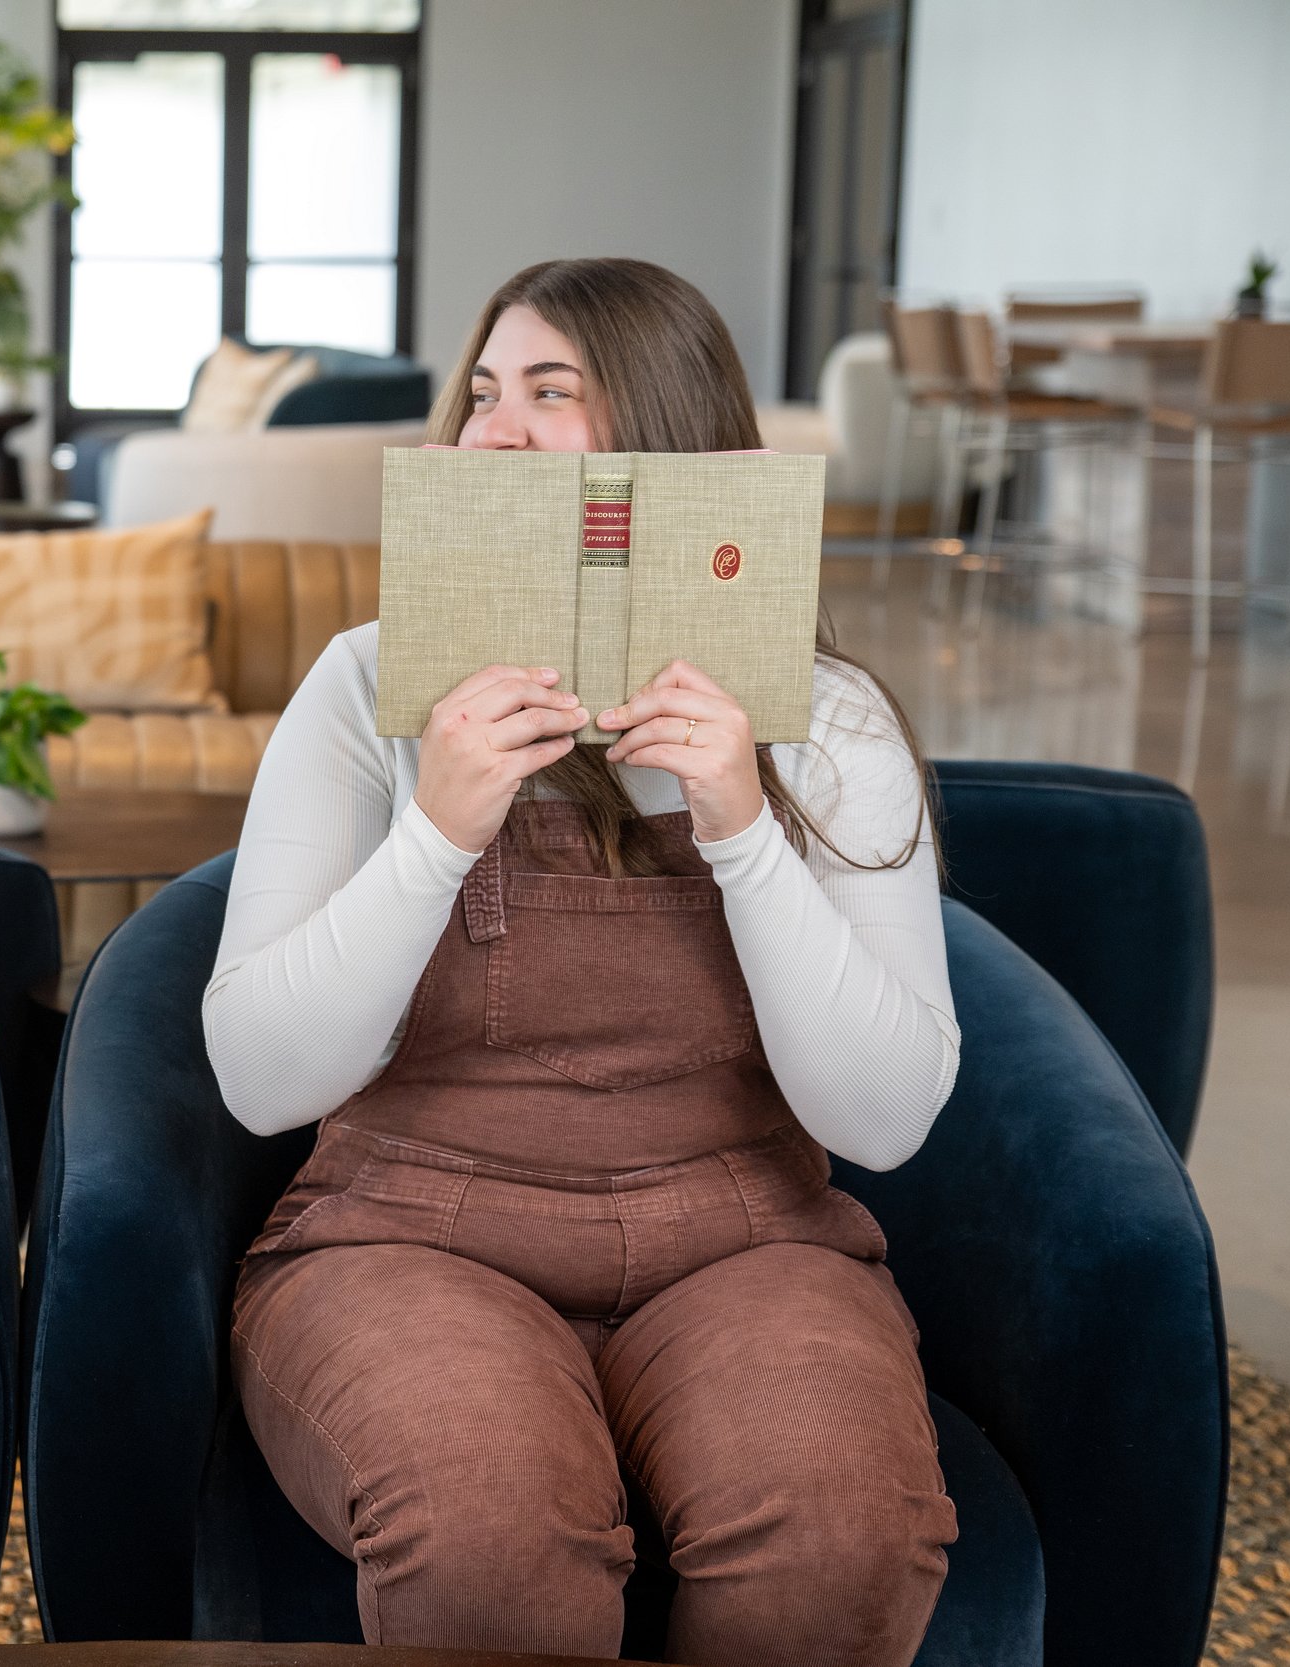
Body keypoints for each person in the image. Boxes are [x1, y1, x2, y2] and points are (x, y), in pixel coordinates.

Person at [205, 258, 960, 1667]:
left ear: (671, 456)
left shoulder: (829, 719)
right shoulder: (367, 687)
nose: (492, 428)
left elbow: (886, 1120)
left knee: (847, 1522)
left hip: (746, 1240)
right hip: (409, 1232)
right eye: (482, 393)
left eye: (553, 393)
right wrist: (436, 826)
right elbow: (260, 1079)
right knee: (488, 1527)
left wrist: (741, 821)